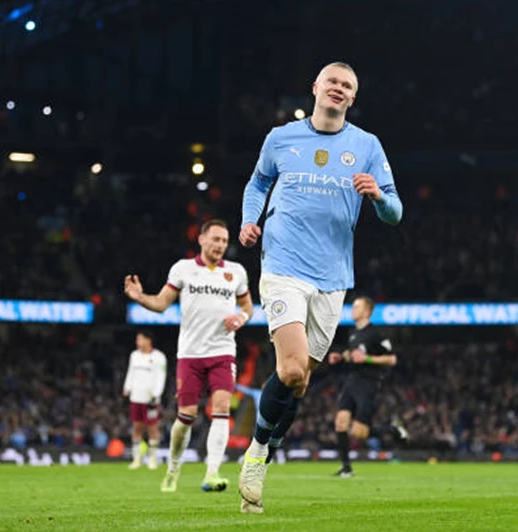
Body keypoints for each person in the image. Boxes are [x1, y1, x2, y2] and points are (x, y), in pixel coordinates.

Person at [238, 61, 403, 513]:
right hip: (282, 265)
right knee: (291, 369)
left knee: (301, 382)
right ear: (315, 87)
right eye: (332, 81)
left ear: (353, 98)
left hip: (332, 278)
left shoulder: (367, 146)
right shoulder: (281, 138)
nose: (338, 88)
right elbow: (258, 183)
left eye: (347, 85)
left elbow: (395, 212)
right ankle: (257, 453)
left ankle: (266, 448)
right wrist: (250, 220)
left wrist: (378, 197)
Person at [124, 219, 254, 493]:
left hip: (222, 352)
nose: (220, 245)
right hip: (190, 354)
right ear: (202, 239)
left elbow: (247, 306)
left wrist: (241, 318)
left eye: (224, 241)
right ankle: (173, 468)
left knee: (221, 407)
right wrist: (141, 297)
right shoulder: (183, 269)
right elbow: (161, 303)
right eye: (215, 239)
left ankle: (212, 472)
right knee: (187, 415)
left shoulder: (236, 272)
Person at [327, 296, 407, 477]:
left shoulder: (377, 334)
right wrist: (341, 356)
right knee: (340, 422)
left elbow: (392, 359)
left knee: (359, 433)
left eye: (357, 307)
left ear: (367, 311)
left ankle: (393, 430)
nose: (353, 310)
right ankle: (346, 468)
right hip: (352, 379)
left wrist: (368, 359)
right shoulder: (353, 332)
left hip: (368, 383)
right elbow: (353, 354)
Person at [123, 330, 167, 470]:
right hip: (136, 397)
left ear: (149, 340)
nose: (138, 342)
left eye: (140, 339)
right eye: (137, 340)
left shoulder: (159, 357)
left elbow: (161, 376)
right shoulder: (134, 355)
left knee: (152, 428)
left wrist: (156, 393)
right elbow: (130, 372)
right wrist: (127, 387)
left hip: (150, 398)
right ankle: (137, 459)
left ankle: (153, 458)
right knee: (137, 427)